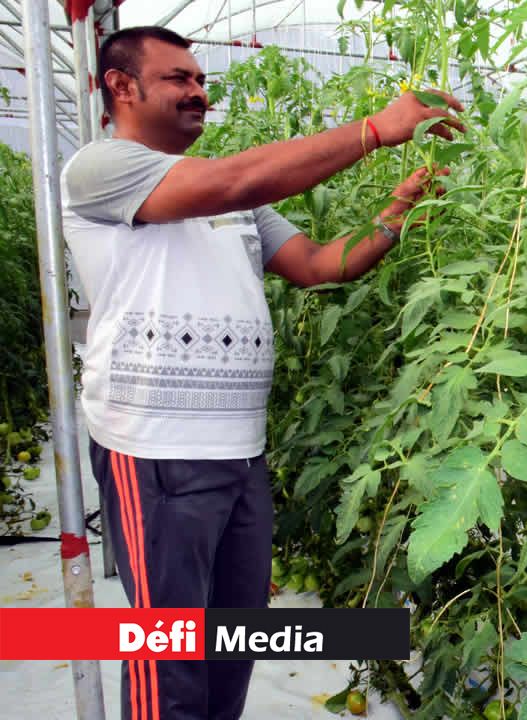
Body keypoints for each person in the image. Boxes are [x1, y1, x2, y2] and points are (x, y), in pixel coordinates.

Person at [59, 25, 465, 720]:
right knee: (170, 664)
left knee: (228, 650)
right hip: (157, 452)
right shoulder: (100, 168)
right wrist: (374, 128)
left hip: (238, 454)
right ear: (120, 87)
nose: (197, 91)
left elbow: (318, 265)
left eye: (199, 79)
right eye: (177, 79)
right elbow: (235, 177)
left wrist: (400, 211)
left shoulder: (233, 204)